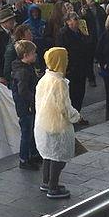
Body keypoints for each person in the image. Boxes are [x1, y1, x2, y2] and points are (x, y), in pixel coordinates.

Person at [35, 47, 81, 199]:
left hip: (44, 123)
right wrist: (76, 116)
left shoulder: (44, 79)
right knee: (59, 156)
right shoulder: (59, 82)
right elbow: (64, 107)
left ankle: (46, 182)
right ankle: (53, 187)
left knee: (48, 154)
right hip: (58, 124)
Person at [11, 40, 40, 170]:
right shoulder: (23, 71)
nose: (35, 55)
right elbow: (23, 91)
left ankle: (33, 154)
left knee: (32, 130)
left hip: (29, 106)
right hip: (25, 106)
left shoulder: (26, 68)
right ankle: (24, 158)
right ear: (25, 55)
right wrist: (34, 98)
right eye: (33, 53)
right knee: (26, 132)